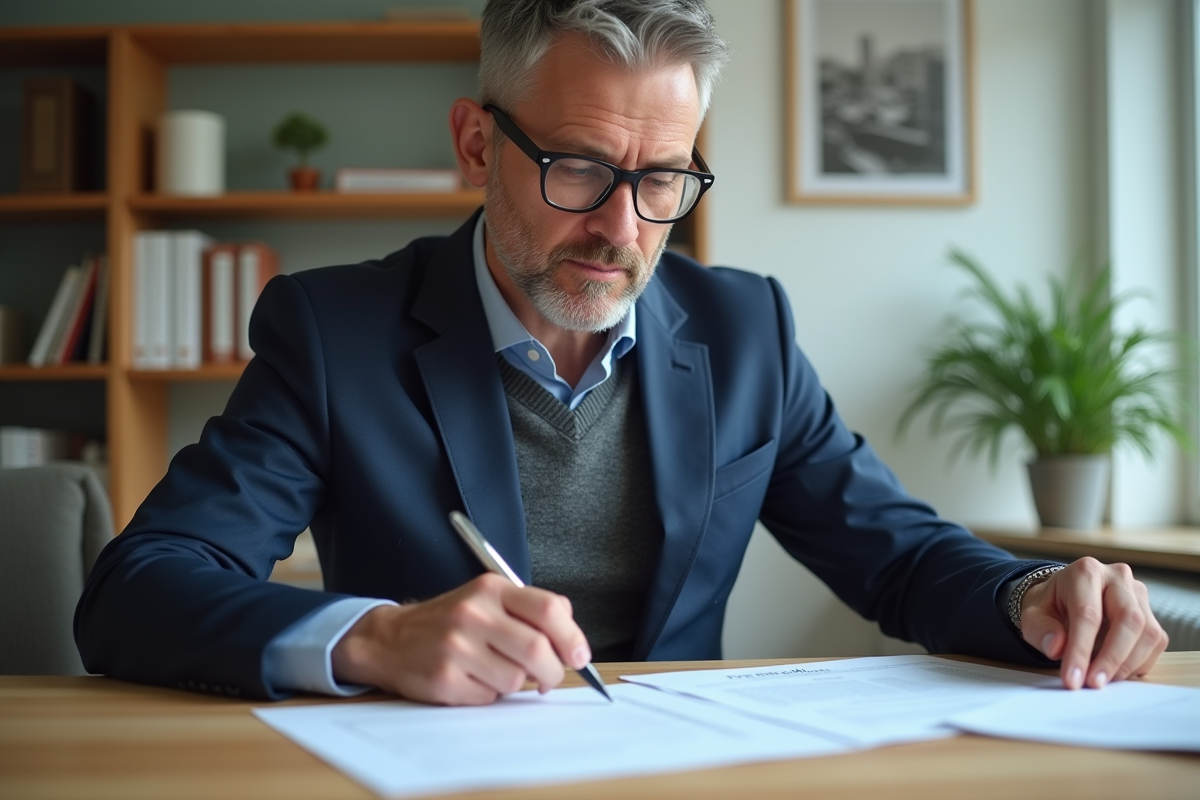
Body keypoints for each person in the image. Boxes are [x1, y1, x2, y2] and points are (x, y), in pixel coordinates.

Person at [75, 0, 1167, 705]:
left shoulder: (748, 332)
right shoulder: (334, 334)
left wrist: (1029, 593)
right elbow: (139, 588)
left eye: (663, 180)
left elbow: (900, 557)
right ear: (473, 144)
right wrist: (375, 637)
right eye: (580, 168)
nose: (623, 228)